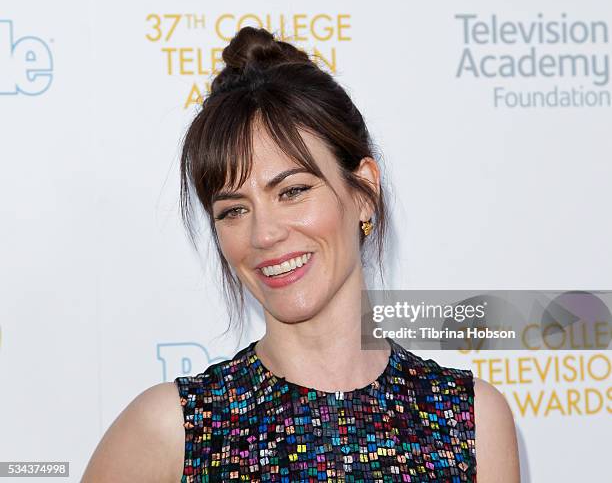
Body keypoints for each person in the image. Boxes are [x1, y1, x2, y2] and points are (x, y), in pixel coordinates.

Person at [82, 27, 520, 482]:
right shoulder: (172, 431)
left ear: (364, 190)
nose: (264, 234)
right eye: (234, 210)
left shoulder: (468, 419)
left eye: (292, 191)